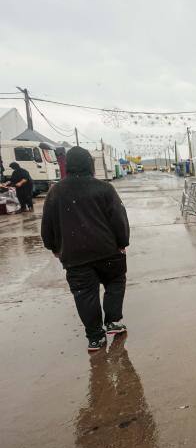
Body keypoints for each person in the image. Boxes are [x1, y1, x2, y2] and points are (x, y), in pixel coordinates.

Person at [41, 147, 130, 352]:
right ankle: (113, 321)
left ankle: (95, 337)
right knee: (115, 282)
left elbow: (48, 224)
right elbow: (118, 218)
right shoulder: (104, 188)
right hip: (107, 250)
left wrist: (53, 247)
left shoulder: (56, 191)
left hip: (75, 256)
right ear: (90, 164)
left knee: (84, 294)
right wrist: (122, 242)